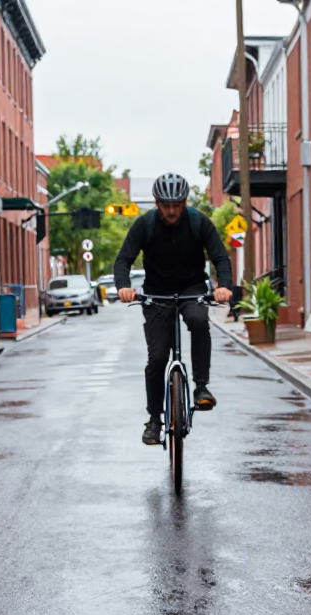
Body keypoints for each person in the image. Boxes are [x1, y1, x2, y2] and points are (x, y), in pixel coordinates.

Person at [115, 173, 234, 446]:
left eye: (177, 205)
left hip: (192, 287)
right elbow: (123, 259)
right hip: (157, 292)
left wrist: (224, 286)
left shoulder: (198, 221)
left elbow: (220, 257)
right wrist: (123, 286)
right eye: (166, 205)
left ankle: (201, 387)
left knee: (197, 320)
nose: (171, 211)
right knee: (157, 358)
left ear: (185, 202)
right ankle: (155, 421)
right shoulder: (144, 225)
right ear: (156, 203)